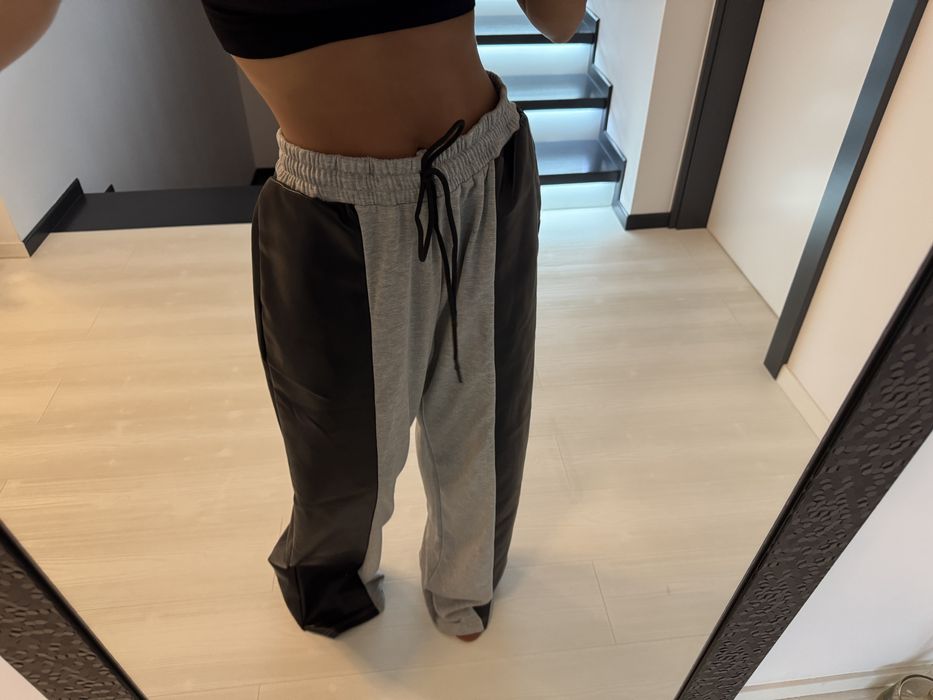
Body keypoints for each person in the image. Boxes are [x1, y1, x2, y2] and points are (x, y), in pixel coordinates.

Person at [1, 0, 587, 642]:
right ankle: (336, 589)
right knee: (342, 459)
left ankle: (465, 586)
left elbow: (561, 19)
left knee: (485, 422)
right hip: (331, 212)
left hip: (486, 168)